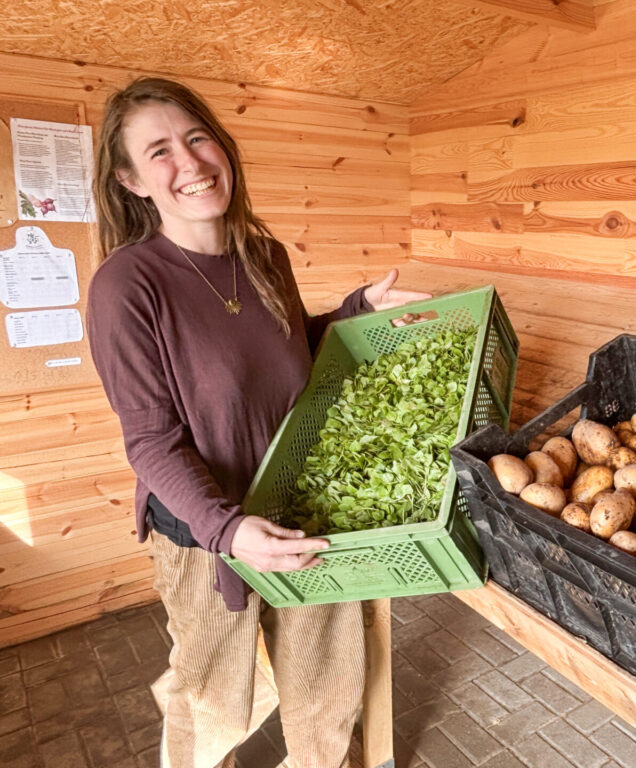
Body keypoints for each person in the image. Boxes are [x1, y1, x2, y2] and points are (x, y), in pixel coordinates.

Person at [87, 77, 430, 768]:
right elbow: (150, 439)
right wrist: (227, 530)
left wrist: (355, 313)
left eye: (197, 138)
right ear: (131, 180)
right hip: (203, 531)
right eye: (159, 151)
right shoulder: (127, 285)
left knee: (327, 690)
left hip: (301, 502)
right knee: (213, 703)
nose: (189, 161)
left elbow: (285, 348)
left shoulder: (264, 255)